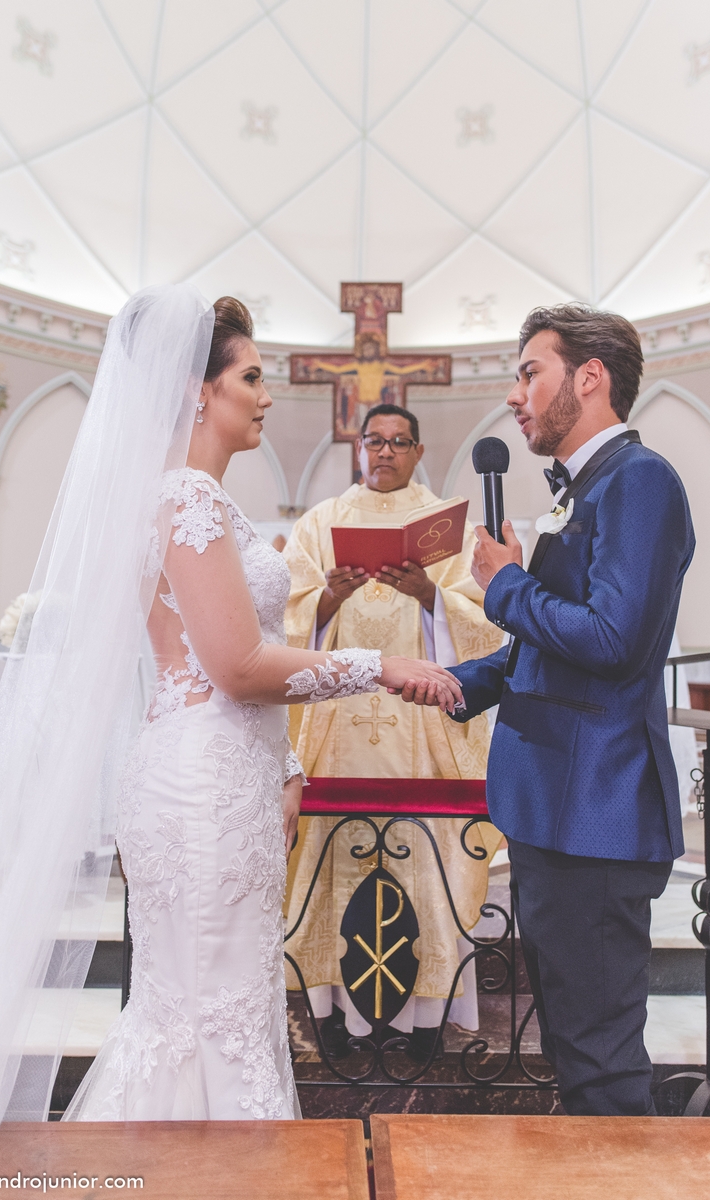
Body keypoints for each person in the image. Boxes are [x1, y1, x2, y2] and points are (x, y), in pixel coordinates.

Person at [0, 287, 461, 1178]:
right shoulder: (184, 495)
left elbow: (215, 661)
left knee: (216, 1007)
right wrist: (379, 667)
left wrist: (287, 759)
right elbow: (231, 666)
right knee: (199, 1016)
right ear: (196, 389)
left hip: (228, 774)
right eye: (251, 377)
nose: (265, 396)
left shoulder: (202, 500)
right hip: (201, 791)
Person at [400, 304, 694, 1115]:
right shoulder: (588, 487)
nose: (515, 394)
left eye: (530, 371)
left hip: (596, 809)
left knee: (598, 1060)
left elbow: (612, 641)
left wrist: (503, 584)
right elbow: (557, 648)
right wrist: (464, 681)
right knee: (572, 1044)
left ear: (588, 378)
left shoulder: (638, 480)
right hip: (558, 809)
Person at [283, 404, 503, 1059]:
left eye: (397, 442)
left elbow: (486, 626)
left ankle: (425, 1020)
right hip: (335, 729)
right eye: (372, 441)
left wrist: (429, 595)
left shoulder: (446, 530)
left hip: (423, 731)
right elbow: (286, 622)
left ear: (416, 448)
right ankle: (335, 1018)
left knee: (423, 871)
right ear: (357, 447)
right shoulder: (319, 524)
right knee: (334, 870)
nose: (383, 452)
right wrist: (329, 598)